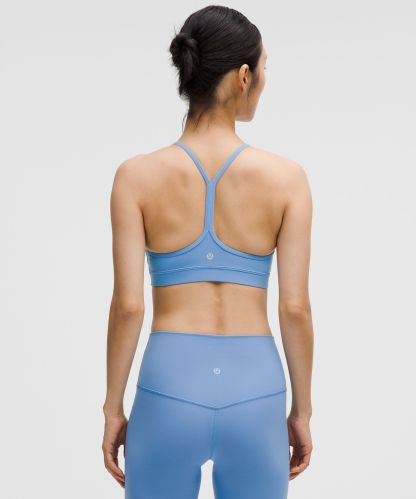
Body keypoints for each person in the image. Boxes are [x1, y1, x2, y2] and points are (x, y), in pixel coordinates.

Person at [102, 5, 314, 499]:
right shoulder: (287, 180)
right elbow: (295, 308)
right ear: (243, 76)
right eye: (264, 68)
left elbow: (129, 306)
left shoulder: (135, 177)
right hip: (256, 391)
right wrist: (302, 412)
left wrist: (113, 409)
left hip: (167, 387)